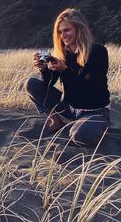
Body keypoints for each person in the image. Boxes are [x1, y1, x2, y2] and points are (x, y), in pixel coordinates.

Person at [25, 8, 110, 146]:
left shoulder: (98, 51)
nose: (62, 35)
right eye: (60, 31)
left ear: (79, 29)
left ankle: (90, 126)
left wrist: (64, 70)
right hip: (69, 107)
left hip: (94, 110)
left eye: (67, 30)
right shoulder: (65, 53)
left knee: (81, 136)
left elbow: (91, 88)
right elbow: (49, 83)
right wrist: (44, 69)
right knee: (32, 84)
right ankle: (56, 120)